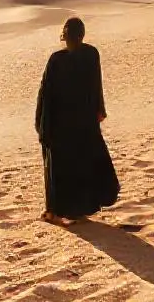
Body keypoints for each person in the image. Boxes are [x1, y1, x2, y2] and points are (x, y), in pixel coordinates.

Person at [35, 17, 120, 224]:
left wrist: (43, 124)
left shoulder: (60, 59)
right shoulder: (89, 54)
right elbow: (94, 86)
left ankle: (58, 211)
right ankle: (72, 210)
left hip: (67, 123)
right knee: (78, 163)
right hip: (81, 122)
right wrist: (99, 109)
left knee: (64, 166)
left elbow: (46, 94)